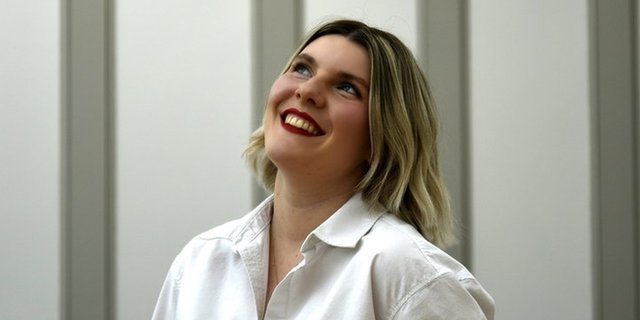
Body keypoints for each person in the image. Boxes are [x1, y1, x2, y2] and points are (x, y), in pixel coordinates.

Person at [152, 19, 495, 320]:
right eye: (302, 68)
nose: (307, 91)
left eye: (346, 87)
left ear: (381, 137)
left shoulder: (414, 280)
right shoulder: (201, 261)